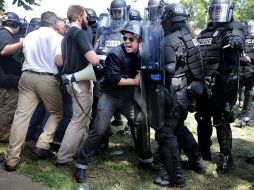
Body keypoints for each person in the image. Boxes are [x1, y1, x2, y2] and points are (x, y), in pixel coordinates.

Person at [74, 20, 161, 183]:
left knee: (141, 122)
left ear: (139, 40)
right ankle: (81, 164)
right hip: (110, 96)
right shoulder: (115, 54)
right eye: (125, 39)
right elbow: (114, 80)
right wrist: (134, 82)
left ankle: (146, 159)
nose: (127, 42)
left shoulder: (141, 55)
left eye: (131, 39)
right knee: (98, 130)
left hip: (127, 98)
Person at [4, 11, 63, 172]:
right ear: (53, 23)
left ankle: (11, 159)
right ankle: (43, 144)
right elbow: (59, 61)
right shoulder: (58, 38)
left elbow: (23, 54)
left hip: (26, 76)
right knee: (57, 112)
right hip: (46, 79)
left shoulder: (29, 35)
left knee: (21, 117)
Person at [195, 0, 245, 172]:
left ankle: (226, 157)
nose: (217, 13)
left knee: (221, 120)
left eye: (220, 10)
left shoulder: (233, 27)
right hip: (203, 82)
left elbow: (238, 36)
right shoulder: (203, 33)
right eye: (214, 10)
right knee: (202, 119)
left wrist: (236, 41)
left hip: (222, 84)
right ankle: (204, 151)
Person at [56, 5, 99, 166]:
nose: (88, 19)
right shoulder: (79, 34)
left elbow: (60, 60)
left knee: (83, 118)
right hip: (80, 81)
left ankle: (81, 150)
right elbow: (93, 60)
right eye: (86, 16)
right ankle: (64, 157)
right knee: (79, 119)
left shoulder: (66, 35)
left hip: (71, 80)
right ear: (79, 17)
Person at [0, 12, 23, 142]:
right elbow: (4, 50)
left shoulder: (4, 34)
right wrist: (21, 43)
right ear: (14, 23)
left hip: (6, 79)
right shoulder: (4, 34)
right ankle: (3, 135)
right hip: (7, 81)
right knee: (6, 108)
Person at [233, 20, 254, 127]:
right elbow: (237, 54)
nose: (249, 29)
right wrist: (244, 58)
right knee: (234, 88)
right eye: (247, 27)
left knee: (248, 92)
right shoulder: (242, 38)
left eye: (251, 27)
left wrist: (250, 57)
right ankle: (231, 109)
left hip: (251, 70)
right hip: (240, 68)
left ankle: (246, 111)